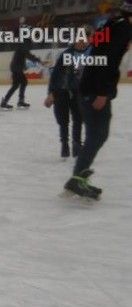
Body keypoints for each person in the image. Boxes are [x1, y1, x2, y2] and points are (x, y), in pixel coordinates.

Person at [64, 4, 132, 198]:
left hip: (91, 86)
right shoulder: (122, 28)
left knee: (98, 134)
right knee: (98, 134)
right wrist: (102, 92)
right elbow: (106, 58)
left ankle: (77, 177)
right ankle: (77, 178)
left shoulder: (114, 24)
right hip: (95, 88)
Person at [43, 33, 90, 158]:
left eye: (84, 40)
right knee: (63, 121)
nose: (82, 43)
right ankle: (64, 145)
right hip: (62, 92)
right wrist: (51, 93)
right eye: (80, 40)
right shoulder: (66, 55)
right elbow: (55, 75)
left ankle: (76, 144)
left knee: (78, 119)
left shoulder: (89, 55)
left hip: (77, 92)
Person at [0, 37, 41, 109]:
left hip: (16, 68)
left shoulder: (23, 45)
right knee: (23, 82)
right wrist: (36, 59)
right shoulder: (24, 45)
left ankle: (5, 101)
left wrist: (24, 66)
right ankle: (20, 101)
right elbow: (28, 55)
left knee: (16, 85)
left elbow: (22, 57)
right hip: (16, 68)